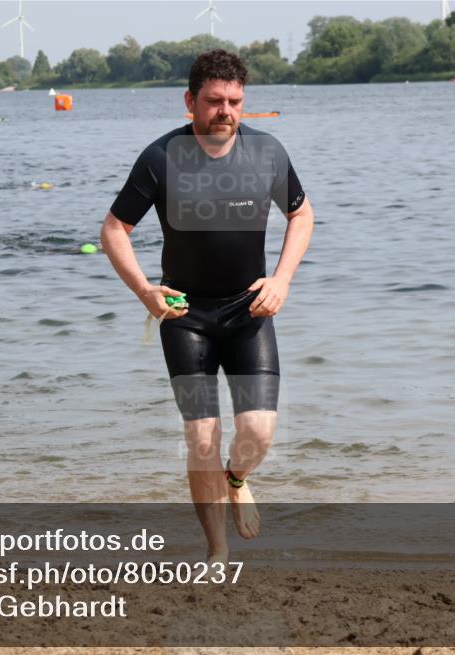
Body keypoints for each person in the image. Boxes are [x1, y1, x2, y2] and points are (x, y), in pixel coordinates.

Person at [101, 50, 314, 563]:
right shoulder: (161, 157)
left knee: (257, 433)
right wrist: (146, 292)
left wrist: (282, 279)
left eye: (235, 101)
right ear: (190, 101)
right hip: (184, 314)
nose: (226, 110)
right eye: (214, 100)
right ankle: (217, 550)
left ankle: (237, 478)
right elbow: (114, 230)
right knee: (201, 439)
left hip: (249, 310)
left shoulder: (267, 153)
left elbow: (302, 215)